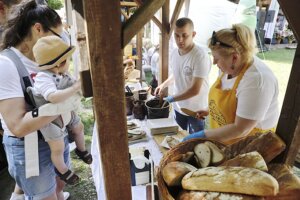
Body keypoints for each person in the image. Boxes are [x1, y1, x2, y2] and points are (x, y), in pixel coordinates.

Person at [0, 1, 79, 199]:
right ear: (37, 29)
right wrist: (66, 103)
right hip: (30, 147)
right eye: (57, 35)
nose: (61, 40)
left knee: (59, 188)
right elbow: (18, 126)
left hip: (57, 136)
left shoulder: (50, 57)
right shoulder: (6, 64)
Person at [183, 24, 279, 145]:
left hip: (250, 145)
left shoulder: (257, 81)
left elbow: (241, 129)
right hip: (226, 139)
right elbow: (230, 99)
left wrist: (202, 136)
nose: (214, 63)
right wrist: (210, 109)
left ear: (234, 57)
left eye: (216, 58)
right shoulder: (230, 67)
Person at [28, 35, 92, 184]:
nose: (69, 62)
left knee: (79, 127)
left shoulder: (62, 73)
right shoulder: (43, 77)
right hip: (50, 119)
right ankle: (63, 170)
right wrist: (75, 87)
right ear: (59, 63)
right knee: (57, 147)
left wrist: (79, 86)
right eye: (68, 59)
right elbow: (53, 97)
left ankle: (81, 150)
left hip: (65, 112)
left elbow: (74, 85)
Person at [154, 17, 211, 134]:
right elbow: (177, 74)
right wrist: (163, 84)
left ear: (193, 34)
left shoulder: (200, 56)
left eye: (185, 35)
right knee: (177, 140)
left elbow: (195, 90)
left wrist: (171, 98)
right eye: (176, 35)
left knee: (194, 144)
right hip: (178, 108)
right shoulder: (175, 53)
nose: (180, 40)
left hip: (196, 110)